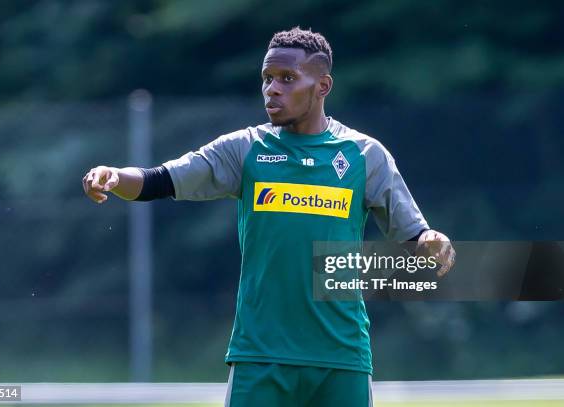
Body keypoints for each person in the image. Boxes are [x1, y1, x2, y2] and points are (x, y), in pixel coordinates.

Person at [82, 27, 455, 407]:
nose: (272, 89)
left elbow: (415, 236)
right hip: (260, 356)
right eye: (267, 78)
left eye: (288, 79)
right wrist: (114, 176)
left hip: (341, 358)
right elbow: (159, 180)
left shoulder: (365, 155)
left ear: (323, 86)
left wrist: (432, 243)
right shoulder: (245, 150)